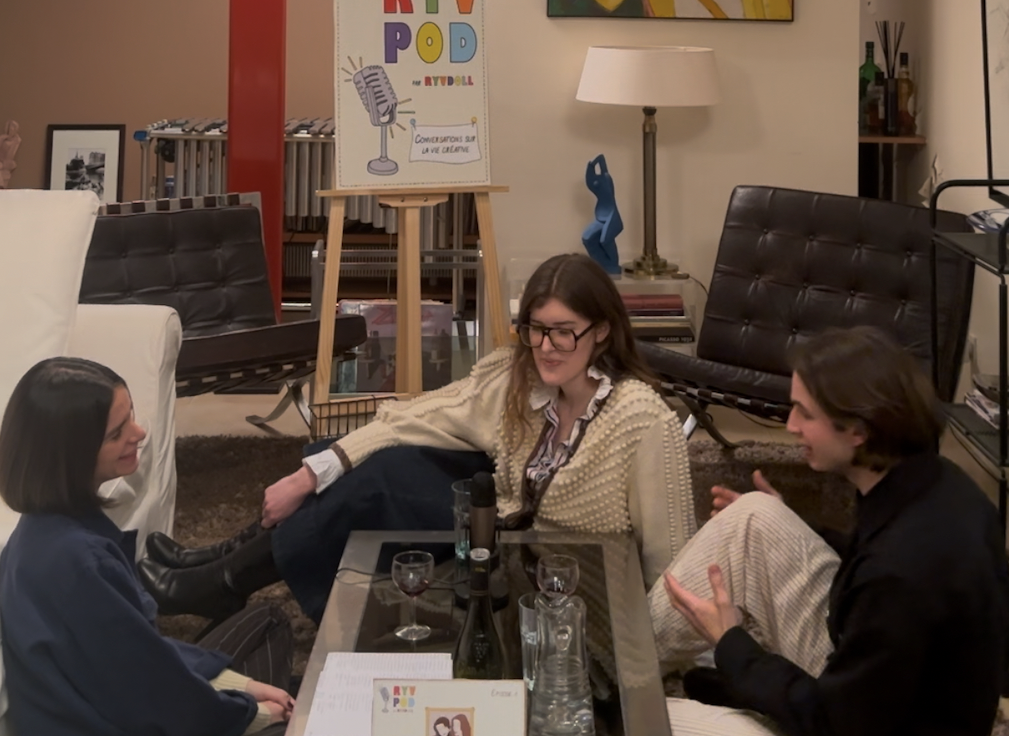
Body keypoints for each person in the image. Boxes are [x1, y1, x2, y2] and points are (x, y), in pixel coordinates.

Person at [140, 252, 696, 622]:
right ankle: (223, 564)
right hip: (497, 525)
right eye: (535, 329)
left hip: (550, 576)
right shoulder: (519, 375)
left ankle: (227, 576)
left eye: (564, 332)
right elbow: (419, 415)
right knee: (378, 455)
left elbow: (673, 563)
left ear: (602, 331)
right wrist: (312, 472)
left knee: (378, 481)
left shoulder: (642, 421)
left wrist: (649, 668)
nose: (546, 347)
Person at [649, 325, 1009, 736]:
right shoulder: (933, 483)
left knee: (633, 730)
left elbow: (834, 731)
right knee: (755, 514)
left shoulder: (900, 572)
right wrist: (794, 524)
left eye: (805, 413)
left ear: (858, 430)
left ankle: (605, 700)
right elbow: (873, 580)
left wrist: (732, 643)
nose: (790, 425)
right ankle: (613, 667)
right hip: (878, 701)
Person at [0, 358, 295, 736]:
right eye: (117, 432)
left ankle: (261, 711)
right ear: (72, 453)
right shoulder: (76, 563)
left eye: (131, 416)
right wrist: (251, 714)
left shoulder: (50, 529)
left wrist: (241, 686)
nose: (139, 433)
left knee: (266, 621)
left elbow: (143, 655)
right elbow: (150, 699)